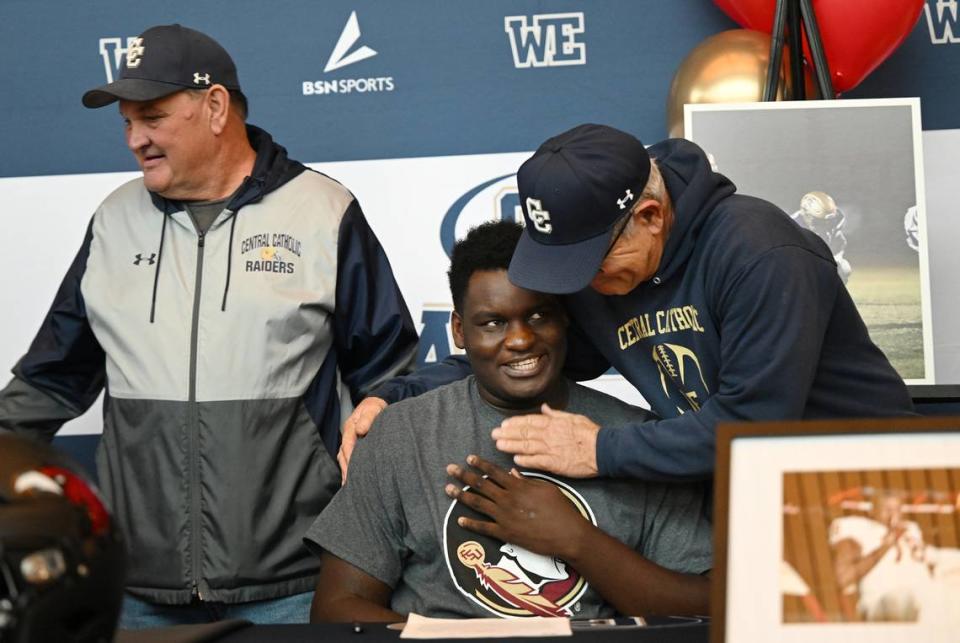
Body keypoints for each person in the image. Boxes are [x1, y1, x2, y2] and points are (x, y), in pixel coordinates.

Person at [0, 24, 418, 627]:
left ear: (215, 106)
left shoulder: (325, 212)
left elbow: (392, 376)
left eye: (152, 116)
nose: (135, 139)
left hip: (295, 586)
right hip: (137, 592)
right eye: (126, 123)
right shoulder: (113, 221)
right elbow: (50, 382)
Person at [340, 123, 913, 483]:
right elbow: (530, 359)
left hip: (872, 486)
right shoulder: (606, 279)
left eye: (589, 262)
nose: (580, 284)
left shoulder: (761, 252)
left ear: (650, 217)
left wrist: (599, 450)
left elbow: (752, 431)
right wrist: (397, 395)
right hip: (757, 494)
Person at [306, 221, 712, 622]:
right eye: (494, 323)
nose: (519, 339)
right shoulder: (401, 436)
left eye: (538, 316)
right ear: (460, 331)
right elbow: (336, 608)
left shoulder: (634, 437)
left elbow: (708, 606)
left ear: (566, 319)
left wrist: (578, 541)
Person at [790, 191, 851, 283]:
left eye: (828, 221)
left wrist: (834, 260)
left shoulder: (833, 222)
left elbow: (839, 243)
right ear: (806, 215)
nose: (826, 224)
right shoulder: (792, 226)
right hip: (793, 263)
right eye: (820, 221)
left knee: (843, 268)